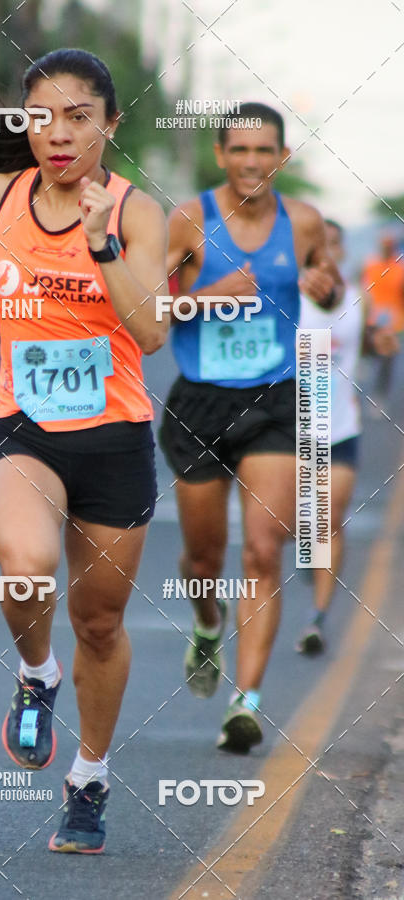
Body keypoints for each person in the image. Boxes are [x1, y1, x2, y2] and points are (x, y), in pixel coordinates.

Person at [0, 48, 168, 853]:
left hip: (116, 440)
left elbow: (152, 332)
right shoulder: (0, 193)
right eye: (41, 117)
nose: (57, 135)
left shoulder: (135, 213)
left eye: (78, 118)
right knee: (24, 567)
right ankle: (35, 673)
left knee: (99, 622)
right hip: (28, 431)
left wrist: (104, 247)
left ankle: (88, 779)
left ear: (109, 123)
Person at [159, 102, 342, 753]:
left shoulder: (305, 222)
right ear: (220, 155)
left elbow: (328, 287)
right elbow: (146, 314)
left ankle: (247, 701)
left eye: (264, 151)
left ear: (282, 158)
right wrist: (207, 296)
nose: (252, 163)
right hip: (199, 403)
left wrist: (327, 286)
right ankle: (207, 623)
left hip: (276, 400)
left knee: (264, 550)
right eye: (239, 150)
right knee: (204, 558)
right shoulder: (188, 220)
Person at [296, 220, 399, 654]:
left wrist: (382, 342)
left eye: (333, 245)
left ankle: (318, 617)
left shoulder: (360, 299)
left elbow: (377, 341)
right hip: (285, 429)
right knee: (299, 522)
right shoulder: (284, 298)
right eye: (316, 245)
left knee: (328, 518)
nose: (325, 253)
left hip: (338, 426)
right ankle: (308, 550)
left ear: (342, 253)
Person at [361, 232, 404, 406]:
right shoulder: (371, 265)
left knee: (387, 359)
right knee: (373, 355)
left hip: (395, 323)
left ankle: (379, 396)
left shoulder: (399, 268)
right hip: (374, 321)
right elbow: (364, 291)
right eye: (384, 245)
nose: (386, 248)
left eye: (389, 244)